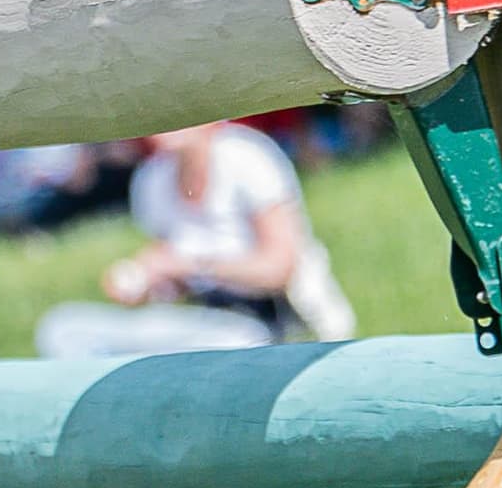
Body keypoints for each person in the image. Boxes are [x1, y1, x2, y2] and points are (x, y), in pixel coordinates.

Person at [34, 123, 354, 358]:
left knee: (216, 349)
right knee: (63, 328)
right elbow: (173, 278)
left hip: (264, 324)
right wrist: (147, 282)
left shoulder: (245, 156)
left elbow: (279, 268)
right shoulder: (152, 178)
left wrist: (194, 265)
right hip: (202, 320)